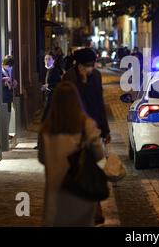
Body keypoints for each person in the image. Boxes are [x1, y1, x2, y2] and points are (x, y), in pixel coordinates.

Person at [38, 81, 105, 227]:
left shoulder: (46, 130)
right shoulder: (86, 125)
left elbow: (42, 159)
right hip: (81, 192)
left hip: (55, 195)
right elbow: (99, 154)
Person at [63, 48, 111, 224]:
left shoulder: (97, 76)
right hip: (75, 132)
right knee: (77, 169)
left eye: (93, 65)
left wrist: (105, 130)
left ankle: (95, 209)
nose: (91, 68)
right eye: (88, 65)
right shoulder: (69, 77)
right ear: (79, 65)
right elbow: (69, 103)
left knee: (93, 169)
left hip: (94, 129)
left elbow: (99, 102)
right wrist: (82, 82)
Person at [41, 52, 63, 122]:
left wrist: (48, 85)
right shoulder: (48, 70)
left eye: (49, 59)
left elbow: (59, 83)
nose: (47, 61)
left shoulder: (55, 71)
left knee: (47, 112)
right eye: (46, 59)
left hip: (53, 95)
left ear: (53, 60)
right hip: (48, 94)